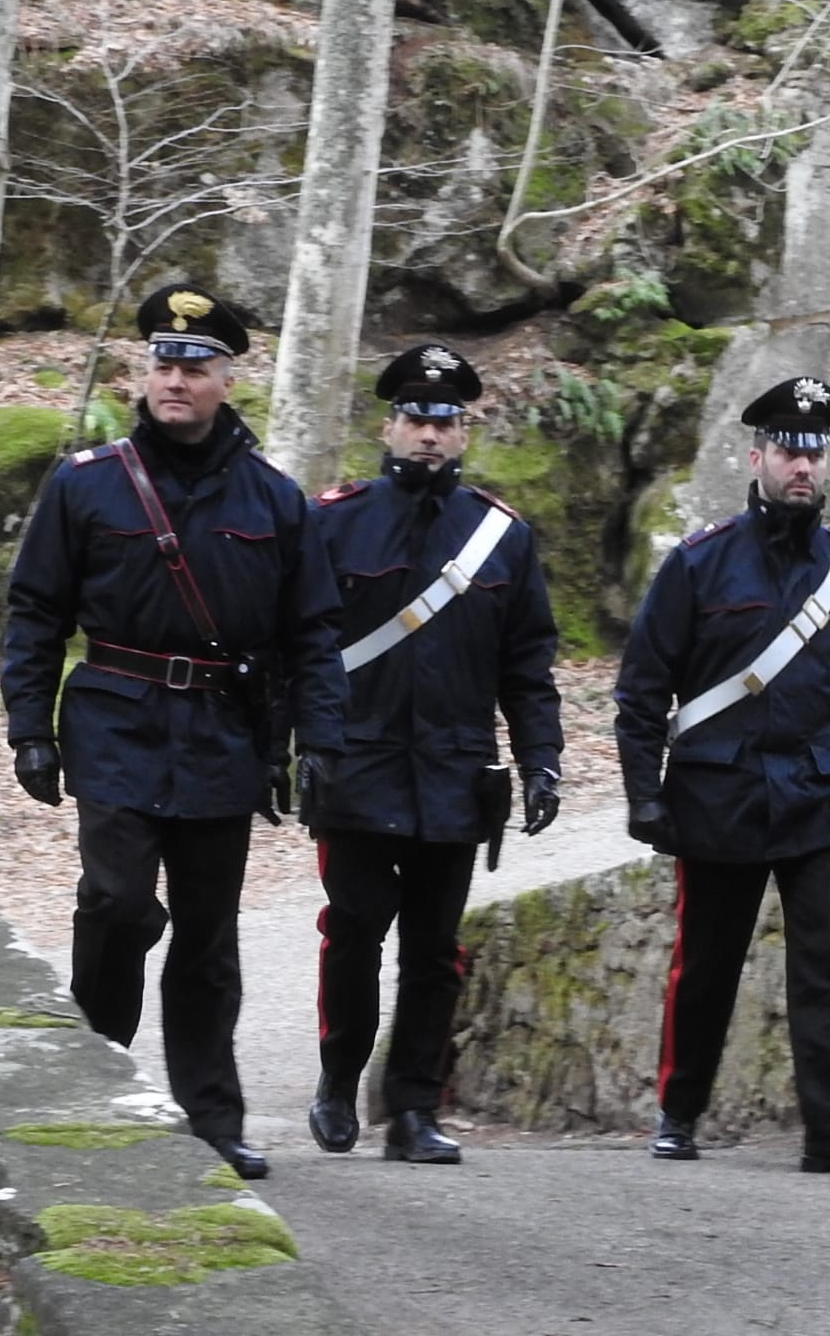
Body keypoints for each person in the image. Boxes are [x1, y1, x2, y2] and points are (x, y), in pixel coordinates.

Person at [1, 282, 347, 1182]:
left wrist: (320, 743)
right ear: (142, 374)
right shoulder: (87, 484)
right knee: (115, 903)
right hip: (115, 718)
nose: (176, 380)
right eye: (162, 363)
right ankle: (97, 1085)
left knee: (205, 936)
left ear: (227, 378)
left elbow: (312, 632)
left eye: (195, 366)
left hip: (223, 734)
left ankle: (211, 1114)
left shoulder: (274, 500)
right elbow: (35, 611)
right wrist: (27, 729)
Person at [611, 375, 830, 1177]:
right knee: (705, 966)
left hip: (823, 801)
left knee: (828, 973)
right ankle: (679, 1114)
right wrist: (644, 791)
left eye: (814, 451)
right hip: (719, 797)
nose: (803, 466)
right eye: (788, 450)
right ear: (757, 457)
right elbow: (643, 689)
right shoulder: (699, 564)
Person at [305, 342, 564, 1165]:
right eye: (416, 418)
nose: (428, 434)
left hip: (454, 774)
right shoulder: (335, 520)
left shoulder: (501, 537)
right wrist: (296, 743)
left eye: (444, 421)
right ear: (390, 424)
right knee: (352, 932)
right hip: (358, 765)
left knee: (434, 949)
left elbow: (528, 668)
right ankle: (339, 1081)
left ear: (464, 432)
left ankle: (413, 1107)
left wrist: (542, 760)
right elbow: (301, 646)